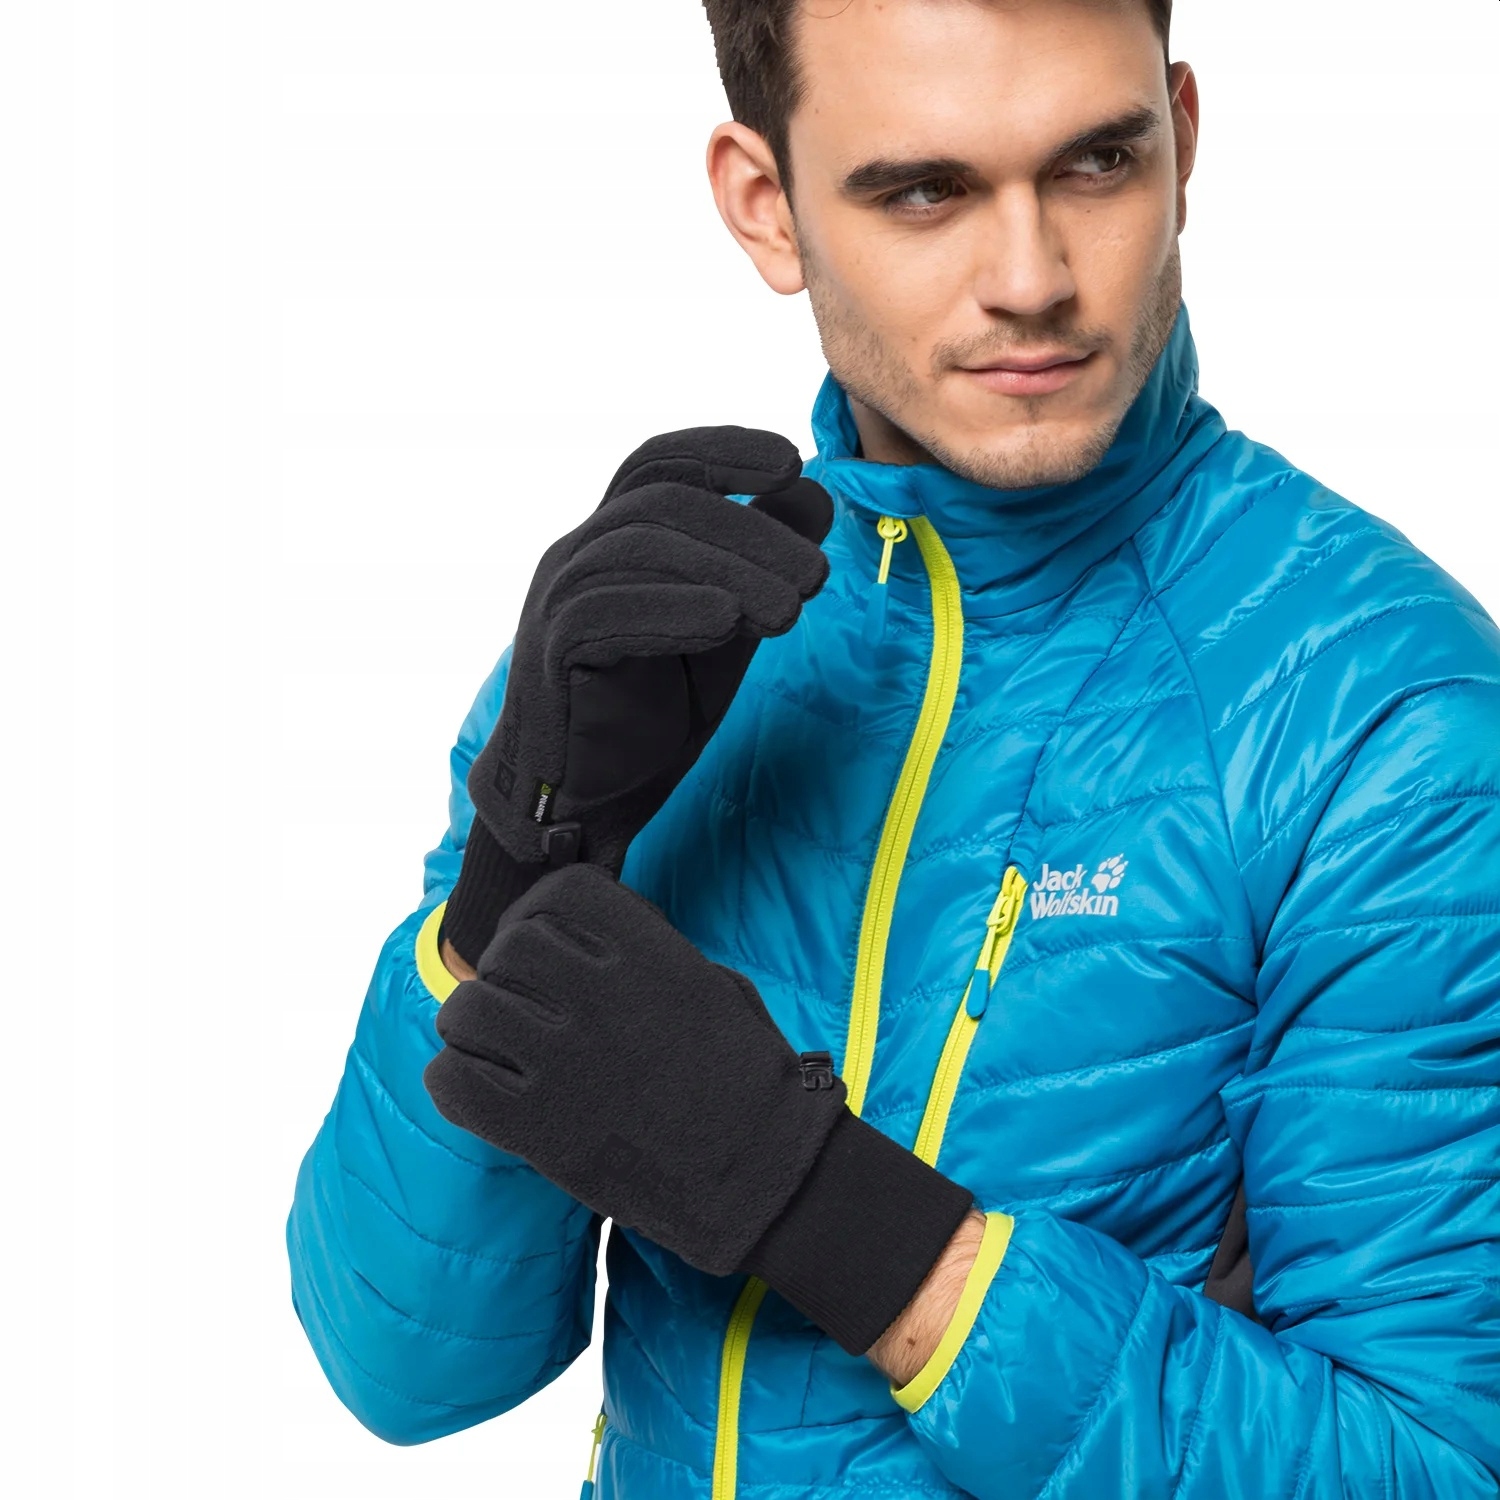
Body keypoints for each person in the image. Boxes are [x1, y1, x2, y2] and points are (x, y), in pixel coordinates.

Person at [285, 1, 1500, 1495]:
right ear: (765, 204)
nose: (1033, 280)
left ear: (1182, 143)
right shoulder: (676, 643)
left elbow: (1434, 1467)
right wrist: (514, 877)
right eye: (925, 190)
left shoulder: (1379, 720)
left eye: (1097, 164)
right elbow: (402, 1370)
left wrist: (835, 1215)